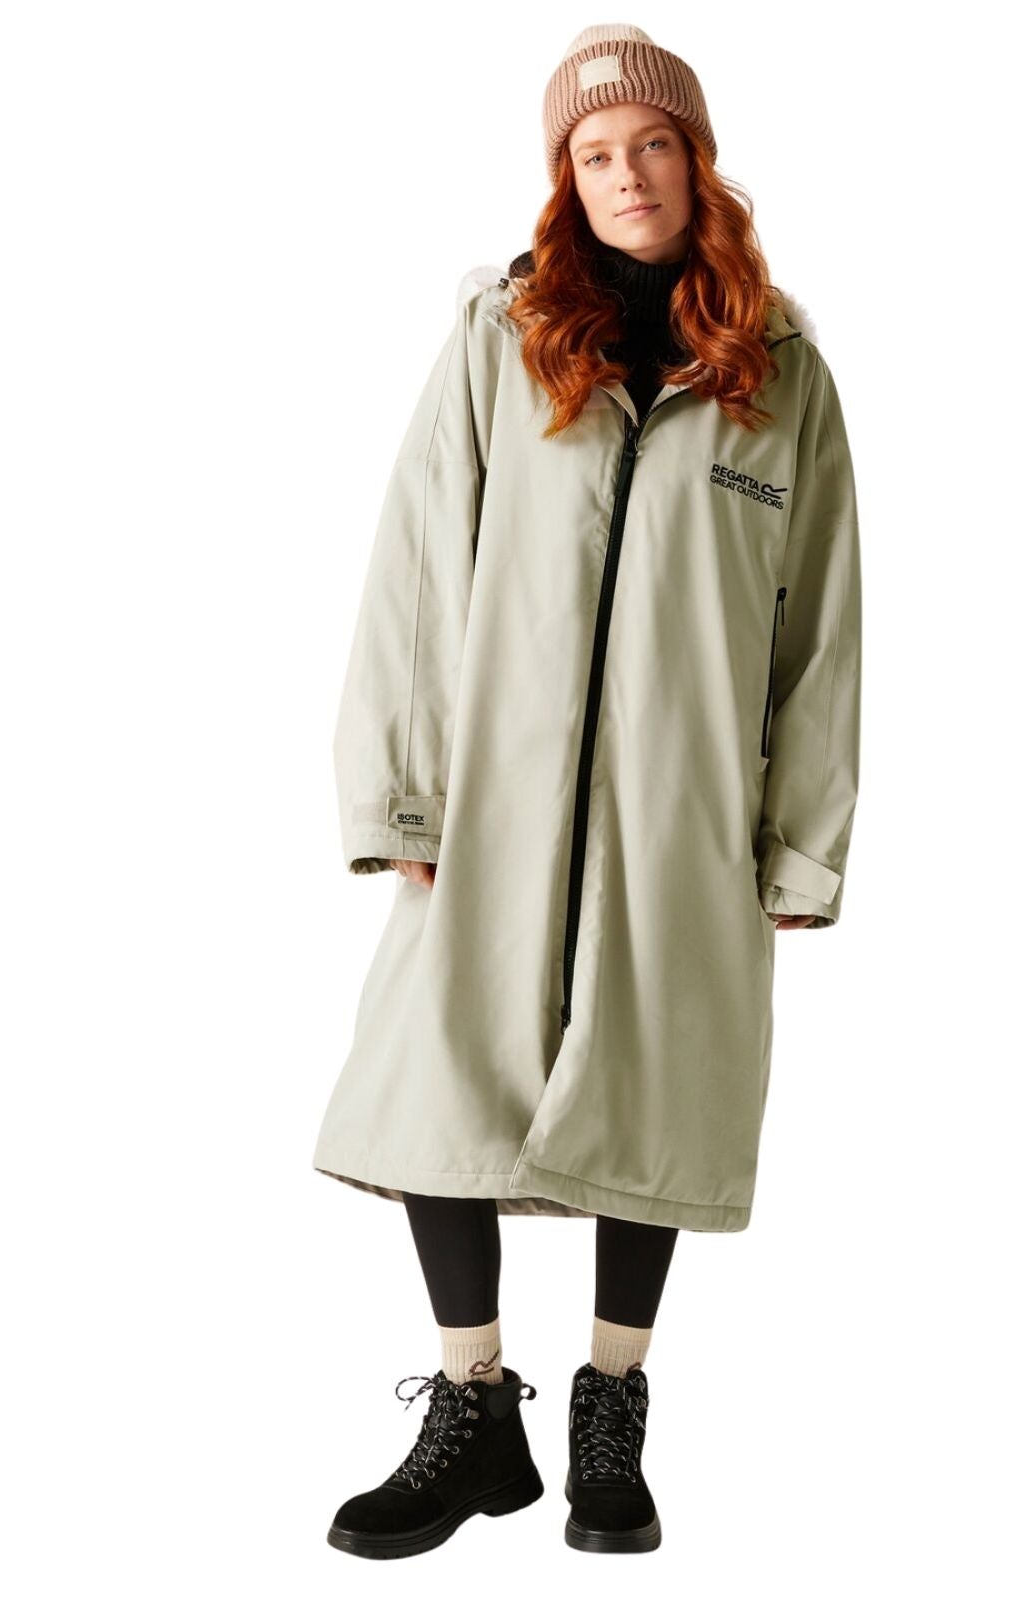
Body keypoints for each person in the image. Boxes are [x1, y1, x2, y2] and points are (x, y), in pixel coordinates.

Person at [317, 23, 862, 1559]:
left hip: (685, 810)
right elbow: (418, 570)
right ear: (568, 176)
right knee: (435, 1082)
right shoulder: (500, 340)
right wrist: (402, 799)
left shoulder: (781, 377)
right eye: (596, 152)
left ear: (698, 160)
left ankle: (610, 1410)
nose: (628, 174)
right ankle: (474, 1409)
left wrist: (801, 846)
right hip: (492, 795)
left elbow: (822, 631)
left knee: (653, 1086)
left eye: (653, 144)